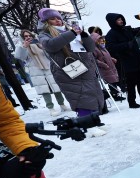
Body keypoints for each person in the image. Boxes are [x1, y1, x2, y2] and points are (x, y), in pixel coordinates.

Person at [38, 8, 106, 137]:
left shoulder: (69, 30)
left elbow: (90, 48)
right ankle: (88, 126)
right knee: (80, 96)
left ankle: (94, 122)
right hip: (68, 70)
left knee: (92, 94)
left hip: (85, 68)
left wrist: (85, 36)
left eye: (58, 18)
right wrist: (72, 33)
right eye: (53, 19)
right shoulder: (44, 34)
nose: (57, 21)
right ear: (45, 21)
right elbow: (51, 46)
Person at [105, 13, 140, 108]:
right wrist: (126, 45)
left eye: (121, 19)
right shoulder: (111, 34)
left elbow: (137, 32)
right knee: (131, 83)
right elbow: (111, 48)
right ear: (113, 22)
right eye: (118, 20)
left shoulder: (126, 29)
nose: (121, 21)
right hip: (126, 62)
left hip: (137, 59)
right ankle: (132, 102)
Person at [15, 30, 69, 116]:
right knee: (44, 90)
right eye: (25, 36)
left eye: (29, 35)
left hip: (48, 67)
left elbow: (49, 53)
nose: (28, 37)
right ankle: (51, 108)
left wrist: (42, 46)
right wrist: (24, 46)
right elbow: (19, 56)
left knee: (56, 87)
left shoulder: (38, 42)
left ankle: (62, 104)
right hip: (36, 70)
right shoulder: (21, 45)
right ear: (22, 37)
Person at [91, 33, 125, 101]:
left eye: (101, 39)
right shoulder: (94, 49)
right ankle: (114, 94)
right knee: (111, 81)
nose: (101, 40)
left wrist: (112, 59)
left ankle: (115, 93)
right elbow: (94, 60)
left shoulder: (102, 47)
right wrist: (103, 64)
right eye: (99, 39)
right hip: (104, 68)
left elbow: (107, 56)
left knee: (114, 80)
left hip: (110, 66)